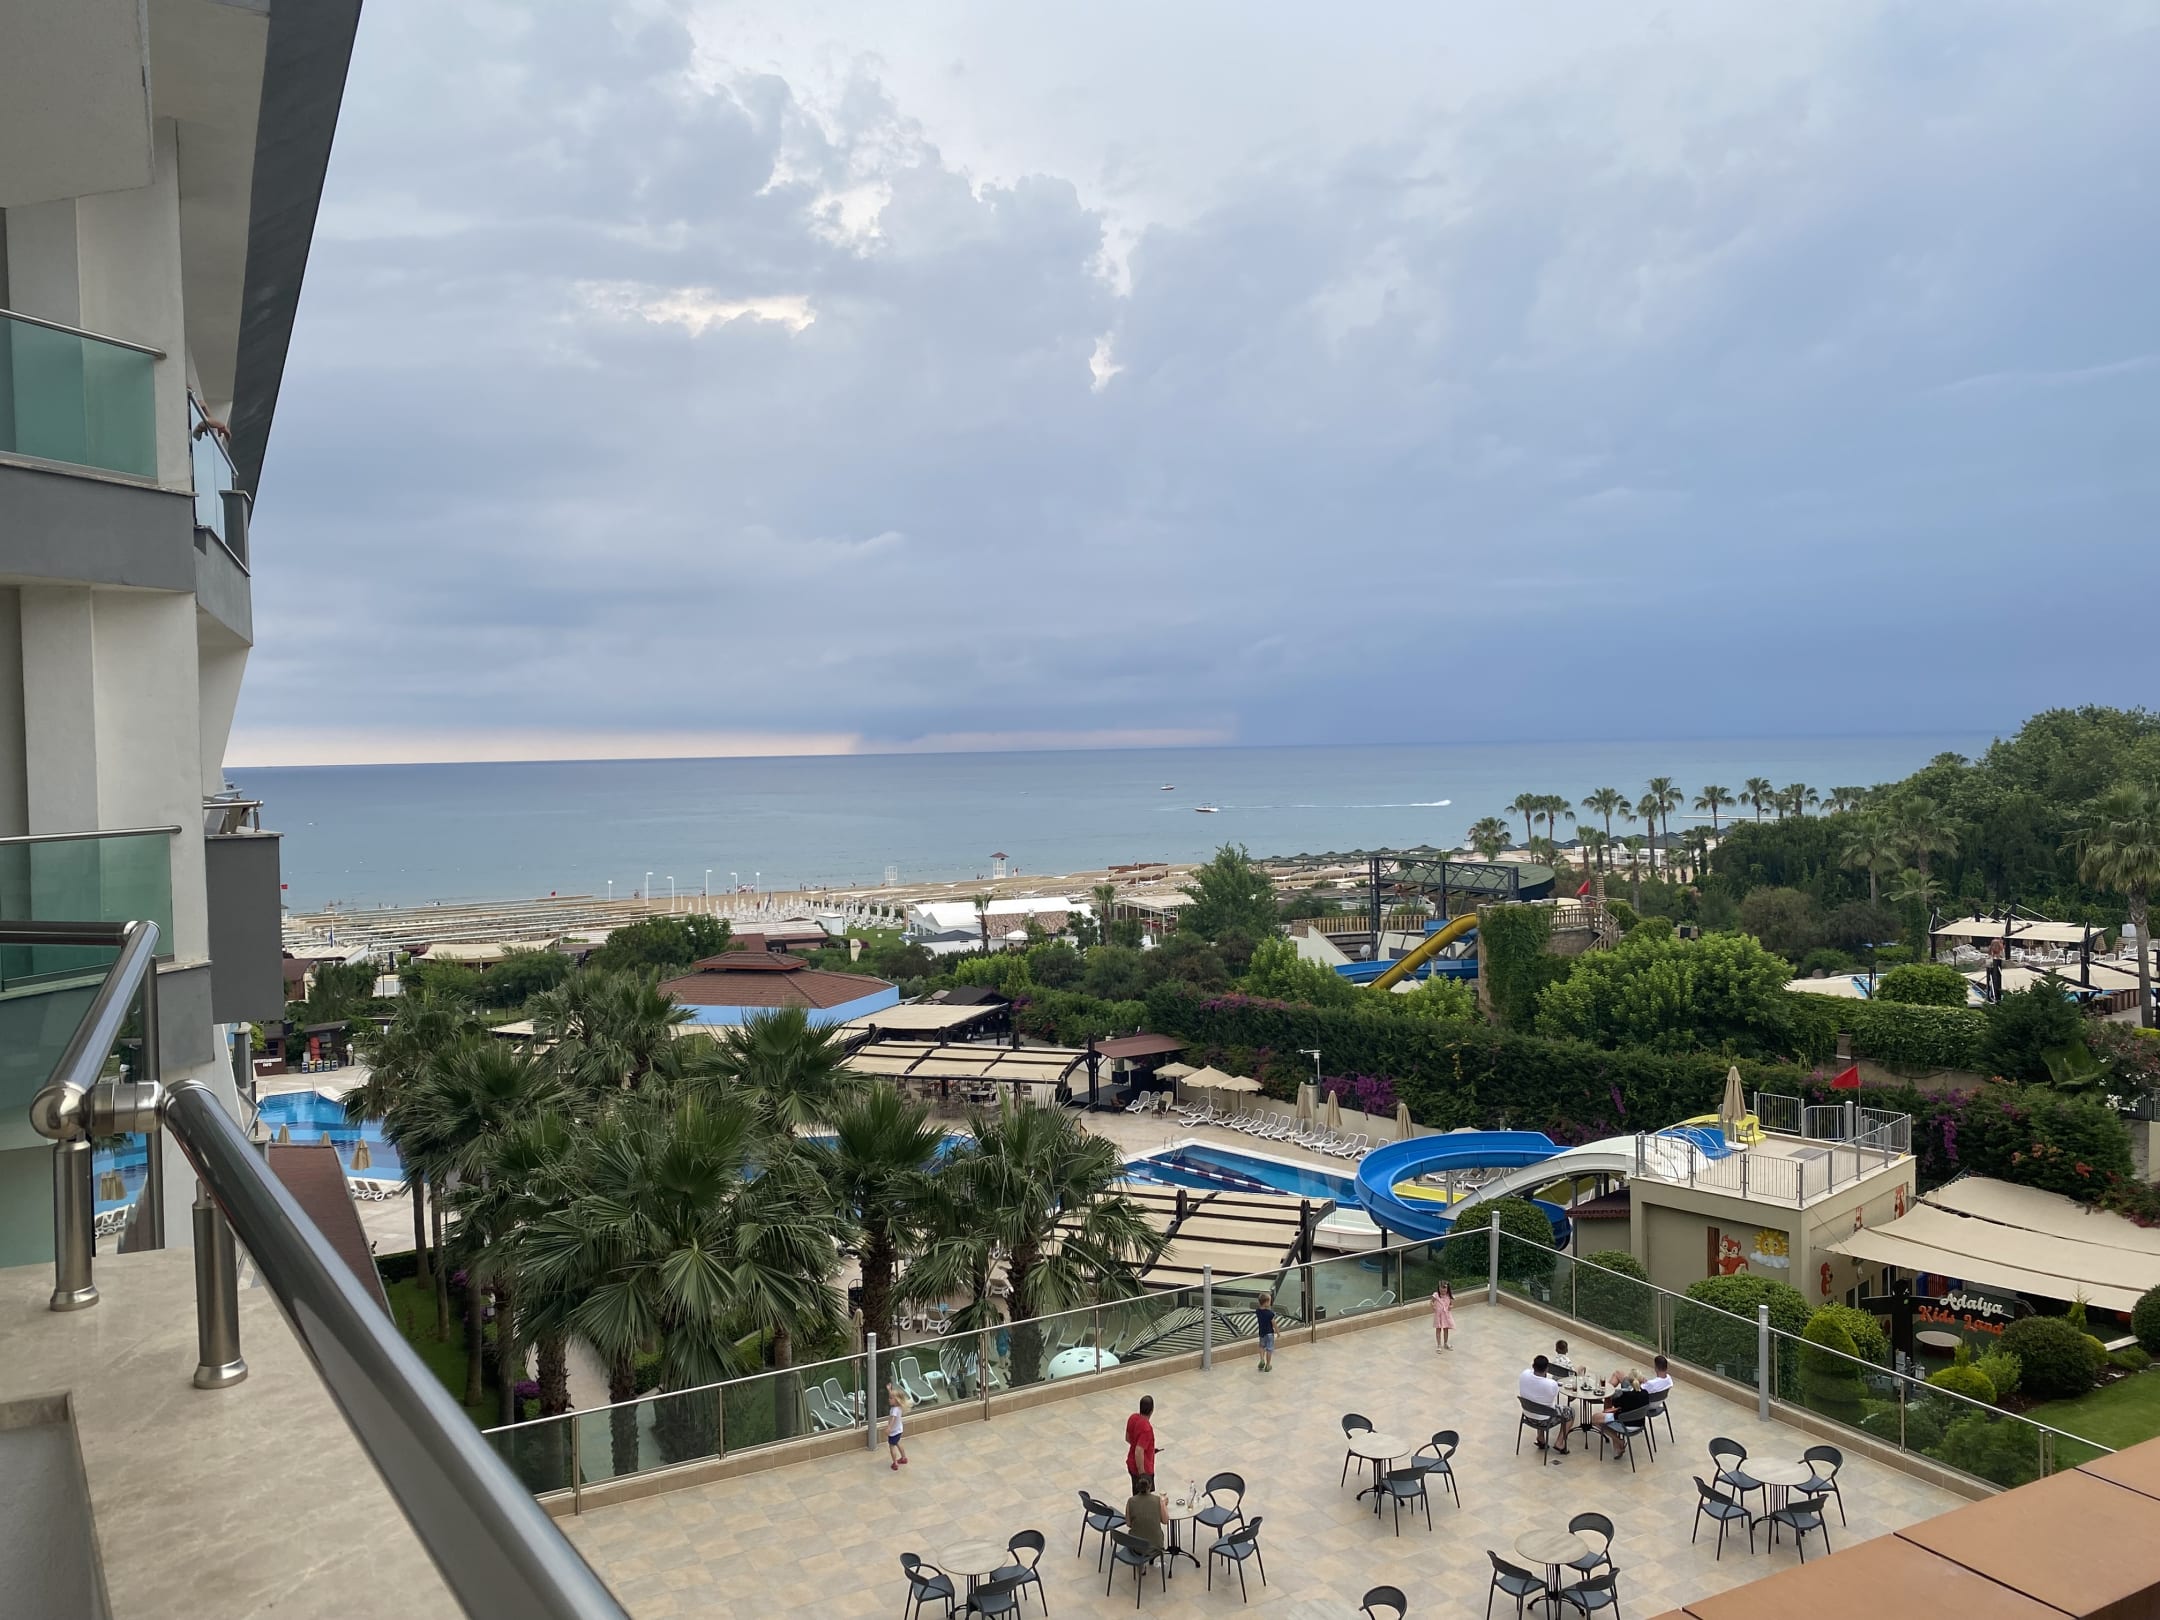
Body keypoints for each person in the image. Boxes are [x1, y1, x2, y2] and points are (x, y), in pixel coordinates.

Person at [1591, 1369, 1651, 1459]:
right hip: (1639, 1424)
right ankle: (1617, 1446)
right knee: (1608, 1414)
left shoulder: (1626, 1396)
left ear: (1629, 1381)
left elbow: (1615, 1403)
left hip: (1624, 1424)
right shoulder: (1645, 1394)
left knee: (1594, 1419)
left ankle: (1618, 1440)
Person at [1518, 1354, 1571, 1455]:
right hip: (1544, 1420)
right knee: (1570, 1412)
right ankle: (1559, 1442)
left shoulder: (1524, 1374)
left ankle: (1541, 1437)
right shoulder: (1551, 1384)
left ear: (1533, 1366)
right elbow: (1552, 1397)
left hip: (1527, 1414)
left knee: (1538, 1404)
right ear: (1547, 1369)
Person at [1123, 1473, 1166, 1553]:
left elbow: (1128, 1523)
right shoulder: (1157, 1500)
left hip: (1135, 1546)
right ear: (1150, 1485)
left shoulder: (1131, 1501)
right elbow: (1165, 1521)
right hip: (1155, 1545)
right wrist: (1163, 1504)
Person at [1125, 1394, 1159, 1487]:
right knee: (1145, 1496)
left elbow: (1128, 1438)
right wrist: (1142, 1475)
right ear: (1152, 1410)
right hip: (1143, 1470)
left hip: (1131, 1464)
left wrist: (1148, 1449)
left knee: (1136, 1493)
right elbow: (1139, 1451)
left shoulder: (1133, 1418)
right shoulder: (1146, 1428)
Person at [886, 1381, 909, 1471]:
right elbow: (893, 1396)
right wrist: (889, 1390)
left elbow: (892, 1419)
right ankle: (904, 1458)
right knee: (898, 1443)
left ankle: (895, 1463)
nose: (889, 1399)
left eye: (891, 1398)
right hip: (899, 1430)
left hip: (894, 1432)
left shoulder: (894, 1410)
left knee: (892, 1446)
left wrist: (889, 1428)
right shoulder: (899, 1407)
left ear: (896, 1400)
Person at [1255, 1292, 1277, 1373]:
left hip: (1262, 1333)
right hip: (1269, 1333)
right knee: (1269, 1349)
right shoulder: (1270, 1314)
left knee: (1261, 1346)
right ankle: (1268, 1365)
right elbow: (1274, 1323)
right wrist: (1278, 1332)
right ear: (1266, 1302)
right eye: (1270, 1301)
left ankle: (1261, 1360)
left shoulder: (1257, 1311)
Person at [1432, 1281, 1454, 1353]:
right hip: (1438, 1315)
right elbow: (1431, 1302)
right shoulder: (1436, 1295)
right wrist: (1433, 1306)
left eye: (1444, 1288)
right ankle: (1439, 1345)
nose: (1442, 1290)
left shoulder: (1448, 1296)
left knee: (1446, 1329)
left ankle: (1445, 1343)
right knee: (1438, 1329)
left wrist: (1450, 1306)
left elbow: (1451, 1304)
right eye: (1441, 1288)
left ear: (1447, 1289)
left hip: (1446, 1315)